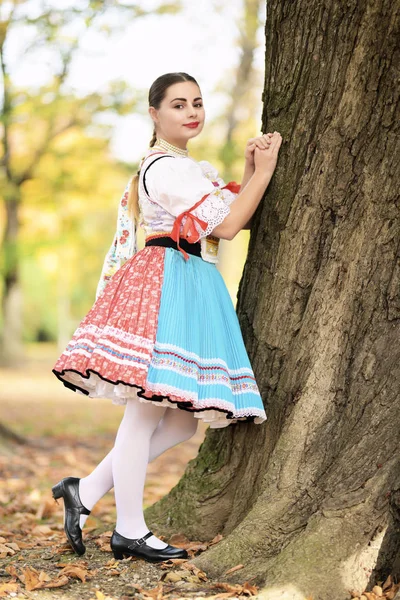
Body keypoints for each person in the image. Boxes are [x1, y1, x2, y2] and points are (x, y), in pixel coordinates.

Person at [51, 72, 282, 563]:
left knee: (180, 425)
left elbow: (215, 228)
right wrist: (263, 171)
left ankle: (84, 490)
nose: (191, 112)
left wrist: (243, 165)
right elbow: (230, 225)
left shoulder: (187, 167)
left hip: (190, 281)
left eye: (196, 102)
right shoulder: (168, 168)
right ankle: (129, 530)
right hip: (165, 283)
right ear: (155, 113)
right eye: (178, 104)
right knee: (145, 411)